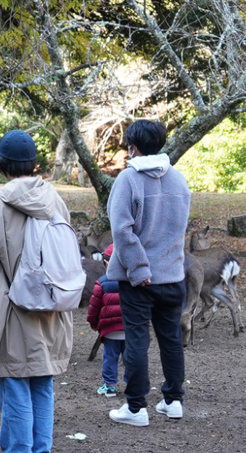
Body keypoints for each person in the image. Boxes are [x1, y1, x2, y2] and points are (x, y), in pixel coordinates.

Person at [0, 130, 73, 453]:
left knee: (12, 376)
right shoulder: (55, 198)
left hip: (12, 301)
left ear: (1, 163)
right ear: (33, 163)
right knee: (41, 377)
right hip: (52, 300)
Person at [106, 120, 191, 426]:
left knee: (137, 340)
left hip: (139, 278)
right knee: (171, 340)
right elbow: (179, 228)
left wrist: (139, 268)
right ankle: (173, 401)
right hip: (173, 276)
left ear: (134, 147)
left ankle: (136, 407)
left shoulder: (128, 180)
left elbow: (121, 230)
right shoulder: (179, 180)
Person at [86, 244, 125, 397]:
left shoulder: (102, 282)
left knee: (110, 357)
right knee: (130, 358)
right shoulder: (134, 281)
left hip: (110, 330)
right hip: (130, 329)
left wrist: (94, 324)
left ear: (107, 262)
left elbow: (94, 307)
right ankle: (133, 384)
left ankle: (110, 386)